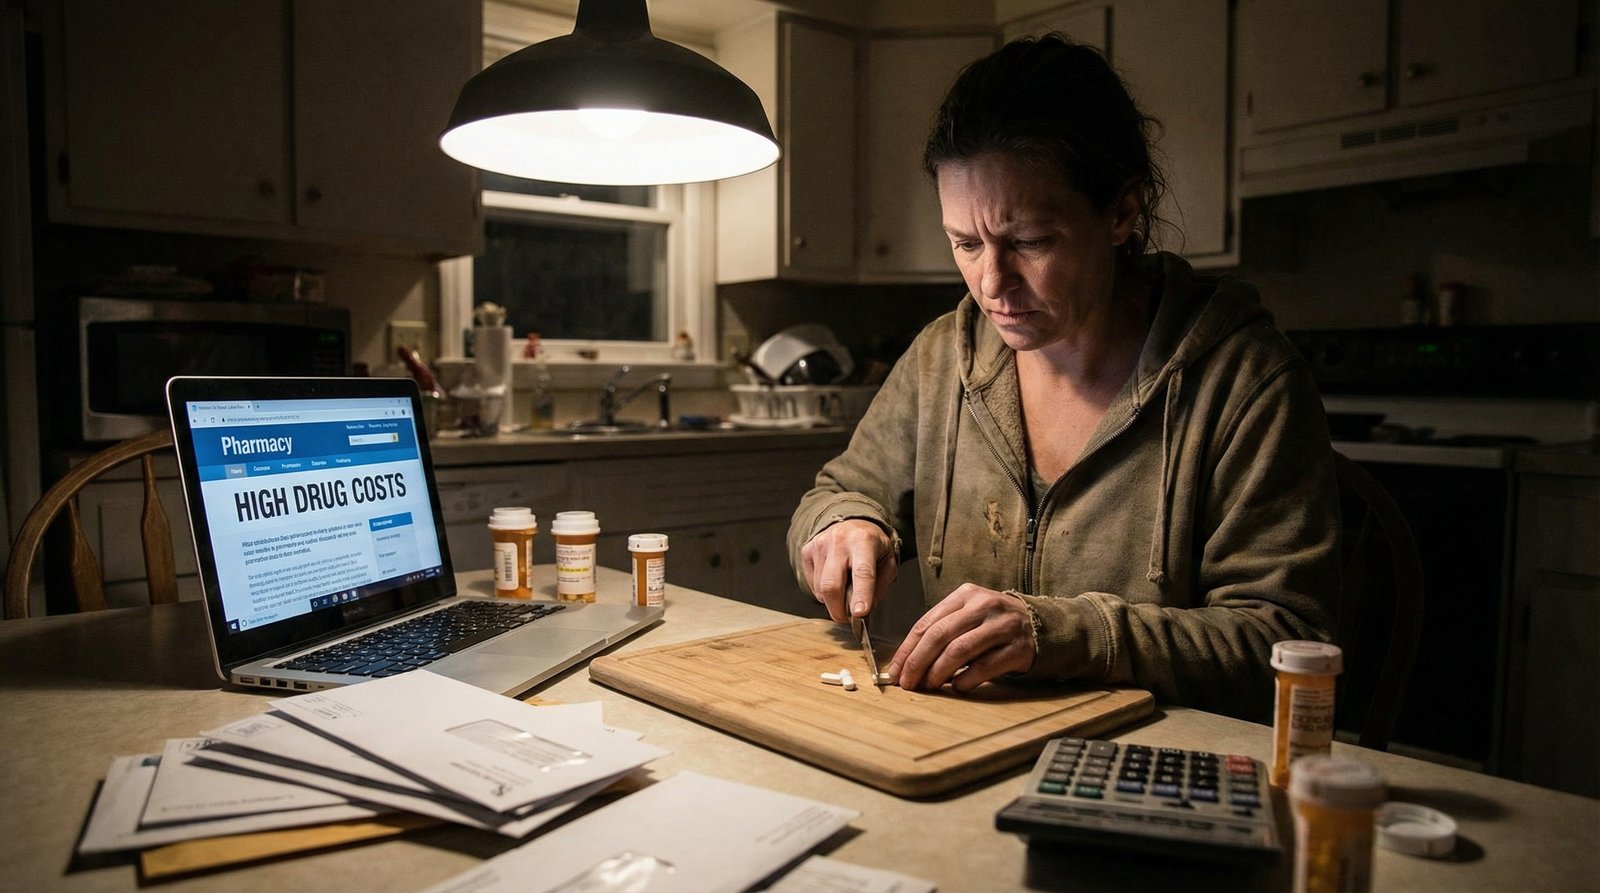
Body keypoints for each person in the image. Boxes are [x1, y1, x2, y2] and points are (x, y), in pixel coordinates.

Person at [786, 34, 1340, 722]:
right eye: (965, 243)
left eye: (1029, 241)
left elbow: (1285, 641)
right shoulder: (941, 360)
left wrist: (1062, 633)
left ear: (1121, 212)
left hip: (1155, 777)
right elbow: (839, 490)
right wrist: (844, 524)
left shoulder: (1242, 381)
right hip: (959, 747)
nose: (992, 283)